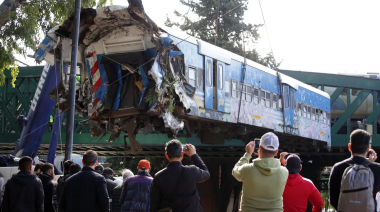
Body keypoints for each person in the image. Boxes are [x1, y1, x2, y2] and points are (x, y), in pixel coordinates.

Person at [232, 132, 288, 212]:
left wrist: (247, 154)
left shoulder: (248, 170)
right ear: (276, 152)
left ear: (260, 149)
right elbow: (272, 166)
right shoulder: (284, 172)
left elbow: (235, 171)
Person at [150, 140, 210, 212]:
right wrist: (194, 155)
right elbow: (206, 174)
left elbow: (154, 203)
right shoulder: (192, 171)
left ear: (166, 155)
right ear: (182, 154)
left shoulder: (158, 176)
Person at [329, 129, 379, 212]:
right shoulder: (377, 169)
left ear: (349, 147)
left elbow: (333, 199)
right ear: (368, 148)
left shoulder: (338, 167)